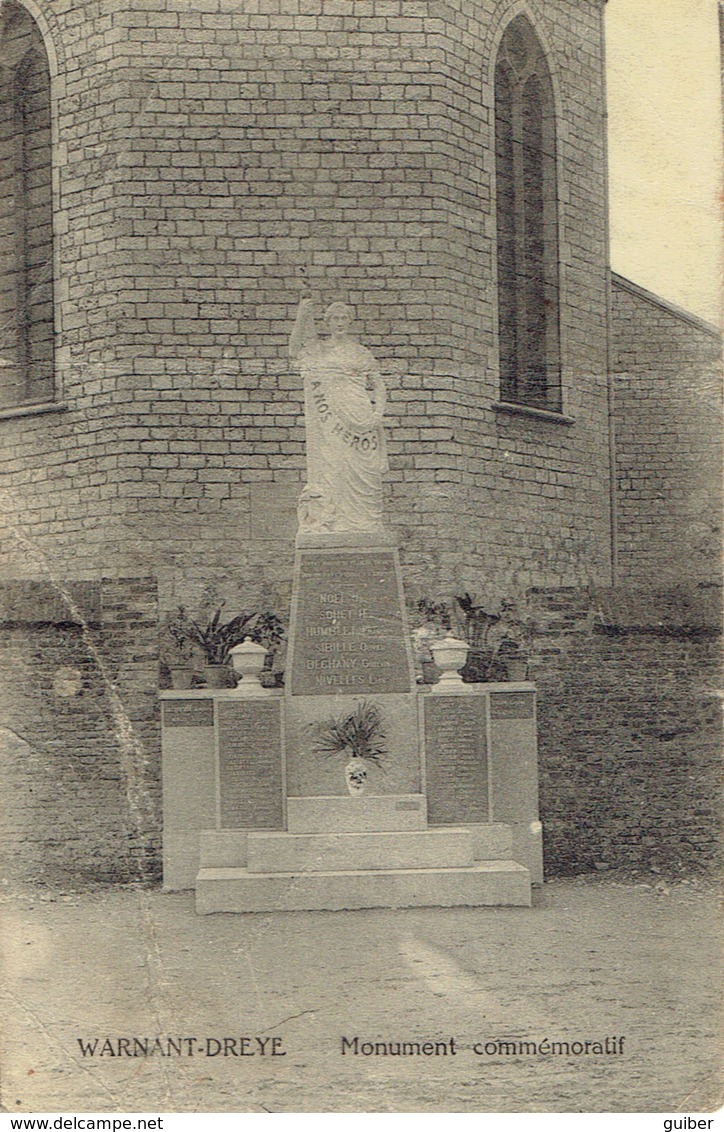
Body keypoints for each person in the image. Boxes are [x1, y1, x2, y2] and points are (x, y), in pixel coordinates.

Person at [289, 297, 388, 535]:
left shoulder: (361, 353)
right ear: (328, 323)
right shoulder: (319, 350)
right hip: (330, 419)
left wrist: (377, 414)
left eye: (344, 318)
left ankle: (366, 523)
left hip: (360, 415)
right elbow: (294, 350)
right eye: (335, 318)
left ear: (350, 322)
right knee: (335, 466)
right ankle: (336, 521)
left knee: (366, 472)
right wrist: (303, 314)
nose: (340, 322)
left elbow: (378, 385)